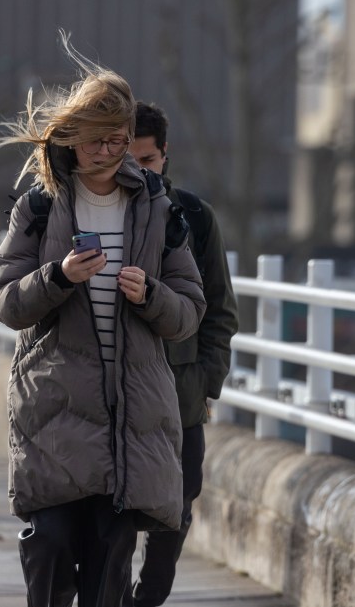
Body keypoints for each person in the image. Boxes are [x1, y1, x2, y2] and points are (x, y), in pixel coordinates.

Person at [0, 35, 206, 607]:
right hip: (55, 412)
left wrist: (151, 294)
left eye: (117, 141)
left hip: (128, 419)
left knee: (111, 568)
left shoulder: (159, 208)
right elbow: (5, 302)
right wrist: (58, 277)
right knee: (50, 548)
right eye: (94, 141)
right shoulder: (39, 206)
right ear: (73, 138)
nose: (105, 153)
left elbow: (189, 311)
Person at [123, 102, 238, 607]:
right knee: (115, 521)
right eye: (128, 159)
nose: (135, 171)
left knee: (175, 516)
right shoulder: (100, 213)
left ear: (165, 157)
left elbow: (221, 310)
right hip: (118, 396)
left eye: (146, 161)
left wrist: (205, 382)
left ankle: (147, 600)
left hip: (181, 398)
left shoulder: (193, 216)